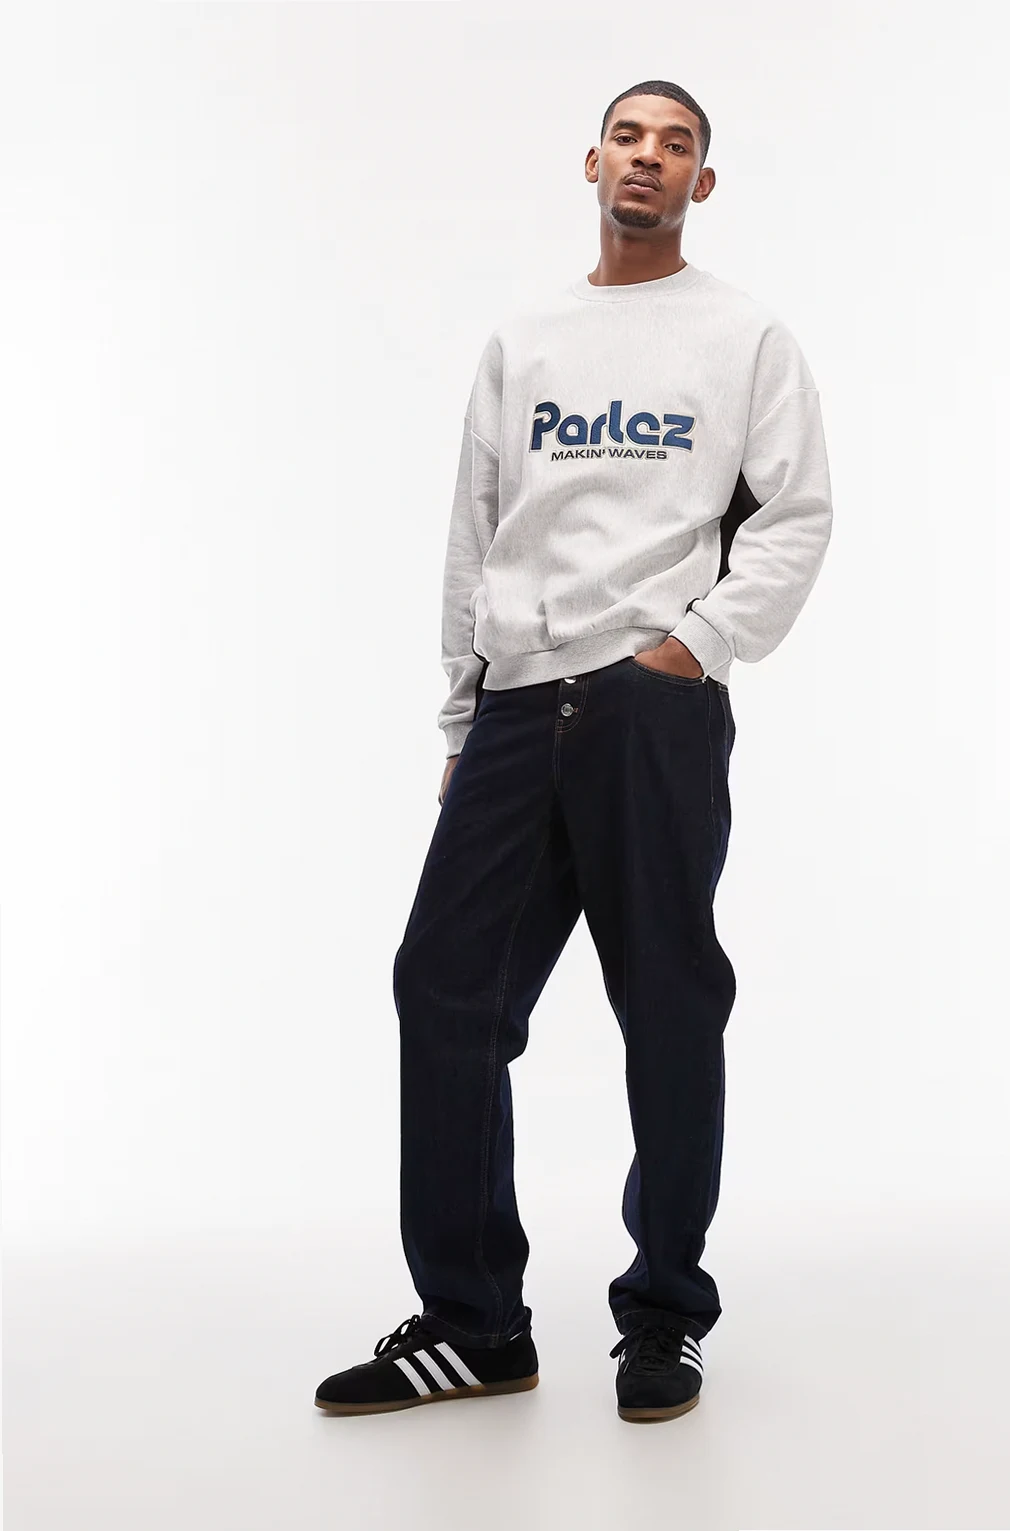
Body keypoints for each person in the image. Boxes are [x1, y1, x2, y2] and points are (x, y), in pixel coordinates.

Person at [315, 78, 833, 1426]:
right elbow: (477, 527)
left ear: (701, 183)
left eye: (677, 145)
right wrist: (464, 711)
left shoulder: (743, 337)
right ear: (591, 161)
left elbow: (796, 514)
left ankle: (663, 1313)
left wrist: (695, 648)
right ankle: (475, 1323)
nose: (648, 158)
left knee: (666, 1005)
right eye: (629, 137)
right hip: (516, 704)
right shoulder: (527, 338)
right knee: (444, 988)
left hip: (647, 708)